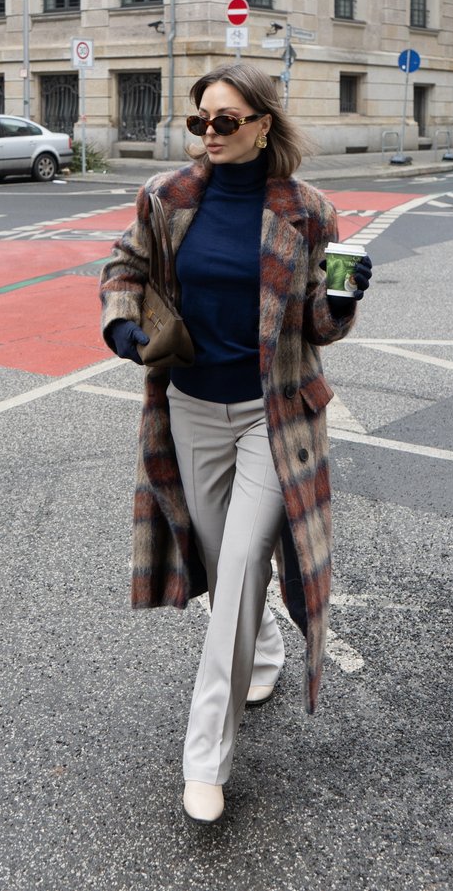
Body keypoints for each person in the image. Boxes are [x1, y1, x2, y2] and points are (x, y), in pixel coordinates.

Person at [99, 63, 371, 824]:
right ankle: (266, 651)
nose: (210, 134)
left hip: (271, 415)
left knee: (247, 557)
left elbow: (318, 326)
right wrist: (125, 328)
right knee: (225, 564)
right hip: (190, 408)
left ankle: (205, 758)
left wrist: (342, 296)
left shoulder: (307, 211)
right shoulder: (168, 197)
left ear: (262, 125)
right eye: (200, 121)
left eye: (225, 120)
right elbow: (124, 267)